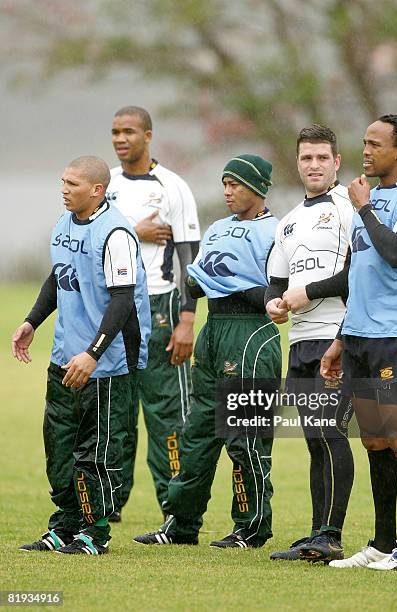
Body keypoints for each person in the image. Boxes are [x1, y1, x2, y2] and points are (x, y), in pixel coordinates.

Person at [133, 154, 282, 548]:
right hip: (213, 331)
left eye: (236, 184)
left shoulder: (276, 232)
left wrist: (227, 281)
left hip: (251, 335)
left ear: (259, 188)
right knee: (196, 432)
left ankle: (250, 527)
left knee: (244, 437)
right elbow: (195, 283)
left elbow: (273, 295)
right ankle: (180, 524)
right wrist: (230, 281)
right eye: (225, 184)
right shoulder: (216, 229)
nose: (228, 191)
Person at [11, 155, 151, 555]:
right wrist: (31, 321)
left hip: (105, 364)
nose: (63, 189)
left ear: (97, 190)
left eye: (72, 183)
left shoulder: (116, 233)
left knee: (98, 451)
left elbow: (123, 300)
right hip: (63, 358)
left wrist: (92, 354)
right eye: (62, 181)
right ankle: (65, 526)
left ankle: (96, 531)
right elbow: (58, 278)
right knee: (59, 450)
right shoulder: (63, 224)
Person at [321, 114, 397, 571]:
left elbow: (396, 254)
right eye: (364, 143)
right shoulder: (371, 200)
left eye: (375, 144)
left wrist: (365, 210)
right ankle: (381, 544)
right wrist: (339, 339)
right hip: (360, 337)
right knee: (373, 440)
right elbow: (359, 275)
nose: (366, 151)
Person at [265, 125, 354, 563]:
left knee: (331, 433)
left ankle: (331, 536)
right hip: (299, 341)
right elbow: (276, 281)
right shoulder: (288, 221)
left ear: (337, 162)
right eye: (306, 158)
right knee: (313, 439)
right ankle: (317, 532)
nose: (314, 165)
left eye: (322, 157)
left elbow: (362, 274)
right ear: (297, 163)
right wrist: (274, 305)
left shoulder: (350, 210)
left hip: (337, 337)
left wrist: (312, 291)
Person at [107, 106, 200, 521]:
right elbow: (90, 235)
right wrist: (133, 228)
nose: (120, 138)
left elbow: (189, 258)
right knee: (114, 411)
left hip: (161, 307)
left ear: (148, 135)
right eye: (115, 132)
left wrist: (187, 318)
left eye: (128, 131)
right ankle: (107, 505)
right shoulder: (103, 184)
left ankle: (175, 510)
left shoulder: (172, 187)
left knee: (167, 414)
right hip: (114, 306)